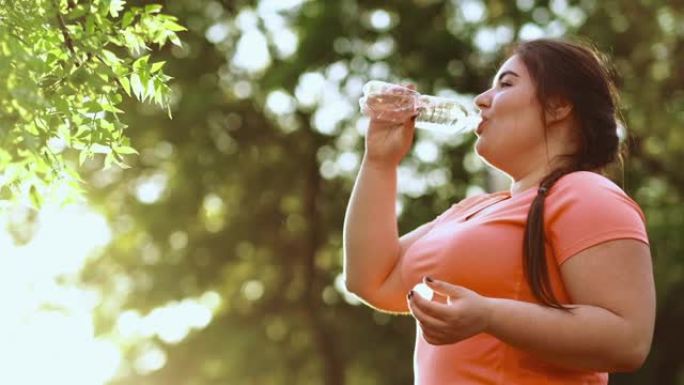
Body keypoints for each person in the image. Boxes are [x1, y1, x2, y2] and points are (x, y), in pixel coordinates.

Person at [342, 38, 656, 385]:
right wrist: (380, 162)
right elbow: (371, 279)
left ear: (557, 105)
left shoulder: (585, 193)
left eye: (506, 84)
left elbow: (628, 341)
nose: (481, 100)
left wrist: (489, 315)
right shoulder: (474, 208)